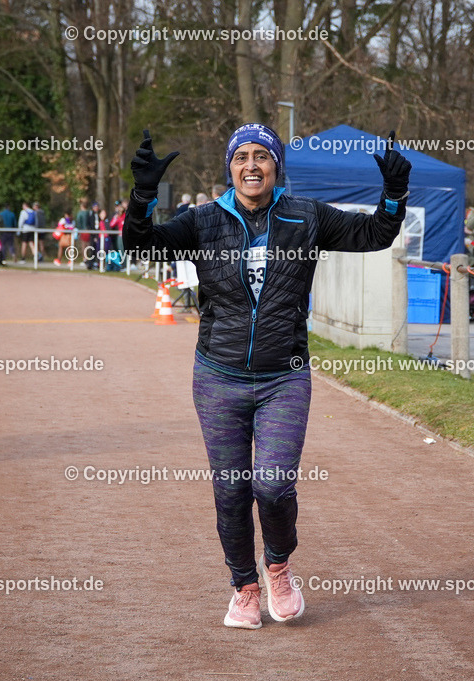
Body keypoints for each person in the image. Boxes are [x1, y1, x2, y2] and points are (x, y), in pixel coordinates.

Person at [123, 123, 410, 629]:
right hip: (217, 376)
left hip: (284, 376)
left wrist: (394, 193)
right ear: (229, 167)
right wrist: (144, 194)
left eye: (261, 156)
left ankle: (278, 567)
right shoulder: (203, 220)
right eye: (241, 157)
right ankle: (244, 587)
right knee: (231, 491)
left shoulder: (306, 217)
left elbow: (375, 234)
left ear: (277, 165)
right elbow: (141, 246)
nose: (251, 165)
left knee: (273, 486)